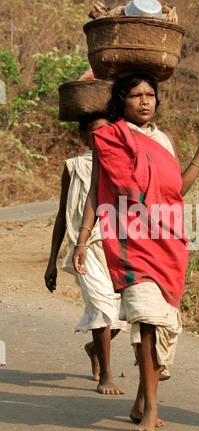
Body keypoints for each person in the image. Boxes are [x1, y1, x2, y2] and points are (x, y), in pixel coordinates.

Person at [73, 73, 199, 431]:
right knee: (146, 316)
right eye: (136, 95)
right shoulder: (108, 137)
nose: (145, 101)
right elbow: (96, 191)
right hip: (128, 241)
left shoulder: (162, 140)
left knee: (160, 318)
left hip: (166, 241)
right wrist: (81, 239)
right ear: (121, 101)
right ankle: (152, 407)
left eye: (150, 94)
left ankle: (142, 398)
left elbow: (176, 191)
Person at [44, 114, 127, 395]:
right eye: (95, 133)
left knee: (124, 311)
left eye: (108, 132)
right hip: (85, 247)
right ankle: (106, 373)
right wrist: (52, 262)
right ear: (84, 138)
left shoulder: (123, 164)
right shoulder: (74, 167)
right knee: (103, 306)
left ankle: (94, 347)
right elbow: (61, 214)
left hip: (117, 246)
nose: (102, 138)